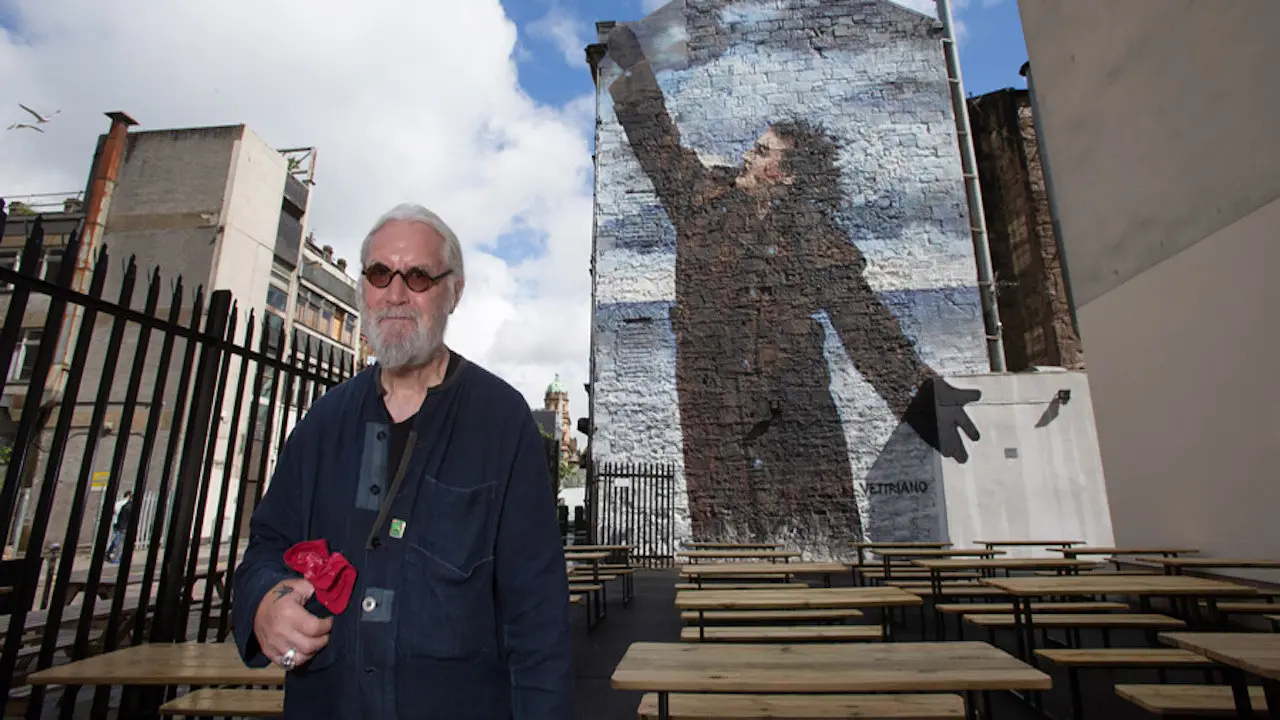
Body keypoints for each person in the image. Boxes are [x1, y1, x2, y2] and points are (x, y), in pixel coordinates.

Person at [605, 25, 981, 550]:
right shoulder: (701, 203)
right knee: (729, 544)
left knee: (821, 539)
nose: (747, 156)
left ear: (786, 175)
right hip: (719, 420)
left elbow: (865, 325)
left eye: (761, 152)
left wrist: (920, 396)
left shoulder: (813, 234)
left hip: (798, 417)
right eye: (753, 147)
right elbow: (657, 142)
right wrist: (633, 71)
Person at [232, 204, 574, 719]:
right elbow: (265, 548)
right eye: (379, 274)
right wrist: (265, 602)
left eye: (417, 276)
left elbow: (538, 616)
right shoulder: (324, 421)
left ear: (453, 292)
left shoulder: (502, 421)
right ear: (363, 289)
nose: (395, 294)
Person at [106, 490, 131, 563]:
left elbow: (115, 511)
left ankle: (108, 553)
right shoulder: (127, 504)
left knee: (117, 540)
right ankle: (116, 557)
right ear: (128, 496)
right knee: (119, 541)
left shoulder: (118, 503)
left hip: (117, 523)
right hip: (122, 524)